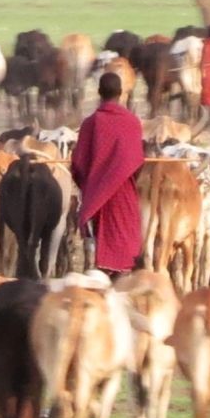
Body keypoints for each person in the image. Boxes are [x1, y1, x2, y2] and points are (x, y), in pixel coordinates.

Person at [71, 71, 145, 280]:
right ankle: (122, 280)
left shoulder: (91, 123)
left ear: (99, 92)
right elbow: (137, 162)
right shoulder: (132, 122)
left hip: (97, 193)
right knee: (126, 244)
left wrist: (91, 184)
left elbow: (78, 162)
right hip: (125, 193)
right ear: (120, 93)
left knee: (99, 245)